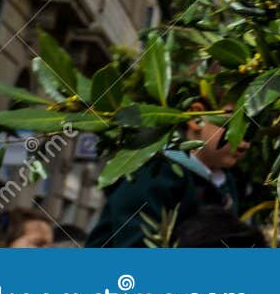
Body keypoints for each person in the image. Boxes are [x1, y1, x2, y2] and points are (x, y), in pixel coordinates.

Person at [88, 105, 248, 248]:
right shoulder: (154, 172)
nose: (245, 143)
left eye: (249, 130)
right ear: (197, 118)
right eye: (236, 125)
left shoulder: (227, 183)